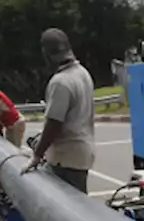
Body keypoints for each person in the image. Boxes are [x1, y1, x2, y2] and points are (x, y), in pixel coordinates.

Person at [23, 28, 95, 193]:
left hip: (66, 157)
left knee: (65, 209)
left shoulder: (60, 82)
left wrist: (37, 155)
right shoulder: (83, 74)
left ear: (47, 55)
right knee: (79, 206)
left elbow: (54, 123)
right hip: (82, 153)